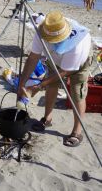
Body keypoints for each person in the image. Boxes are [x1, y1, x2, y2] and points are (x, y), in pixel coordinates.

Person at [17, 10, 92, 147]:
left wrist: (39, 86)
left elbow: (66, 71)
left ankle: (77, 131)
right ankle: (47, 118)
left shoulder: (77, 45)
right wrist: (21, 84)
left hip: (78, 64)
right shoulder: (44, 30)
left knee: (77, 93)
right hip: (55, 59)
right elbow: (33, 57)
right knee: (52, 86)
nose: (50, 41)